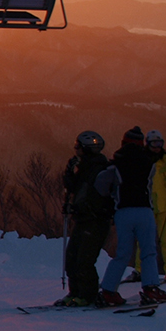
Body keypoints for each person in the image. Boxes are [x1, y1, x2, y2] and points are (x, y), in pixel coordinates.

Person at [99, 125, 166, 307]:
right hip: (144, 210)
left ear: (124, 143)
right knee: (148, 252)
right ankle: (151, 289)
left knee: (122, 254)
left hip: (123, 212)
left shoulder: (116, 164)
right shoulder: (149, 164)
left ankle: (108, 291)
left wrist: (112, 197)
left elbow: (100, 184)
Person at [57, 130, 113, 307]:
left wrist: (76, 207)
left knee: (84, 260)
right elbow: (74, 187)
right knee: (72, 257)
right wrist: (69, 171)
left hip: (95, 220)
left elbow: (95, 198)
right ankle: (75, 292)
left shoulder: (99, 170)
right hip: (83, 219)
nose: (75, 149)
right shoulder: (85, 167)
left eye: (78, 146)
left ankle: (87, 295)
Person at [129, 129, 166, 282]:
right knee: (144, 240)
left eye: (160, 143)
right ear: (148, 144)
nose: (157, 147)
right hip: (147, 204)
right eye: (154, 143)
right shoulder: (143, 160)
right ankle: (140, 270)